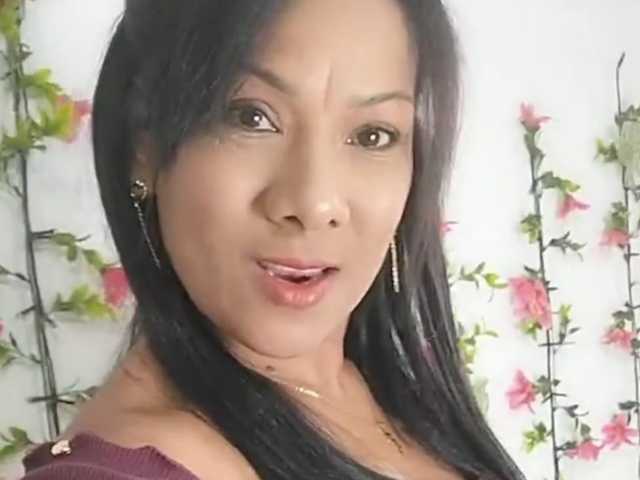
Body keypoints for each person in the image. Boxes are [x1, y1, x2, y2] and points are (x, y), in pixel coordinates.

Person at [21, 0, 526, 479]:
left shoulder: (395, 394)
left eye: (372, 135)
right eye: (252, 117)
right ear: (144, 149)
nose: (314, 203)